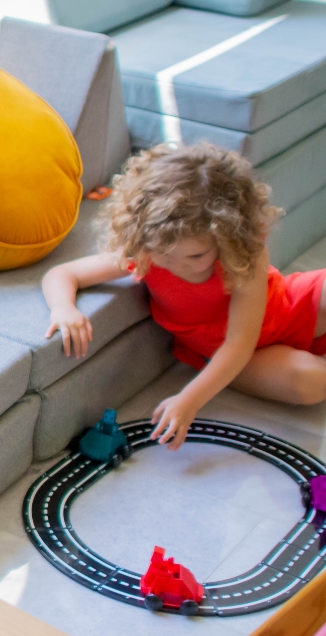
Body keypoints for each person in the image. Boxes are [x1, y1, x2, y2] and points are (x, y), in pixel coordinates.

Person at [41, 143, 326, 451]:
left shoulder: (244, 250)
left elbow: (241, 336)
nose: (180, 266)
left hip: (280, 312)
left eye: (196, 255)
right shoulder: (146, 252)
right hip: (234, 355)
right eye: (165, 254)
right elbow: (63, 274)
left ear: (227, 237)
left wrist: (188, 401)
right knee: (311, 383)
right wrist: (63, 307)